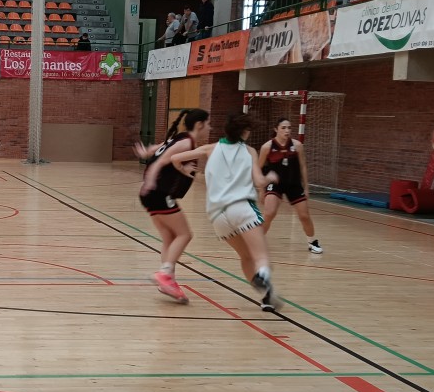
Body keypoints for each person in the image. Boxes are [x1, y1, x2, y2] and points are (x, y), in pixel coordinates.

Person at [171, 113, 283, 311]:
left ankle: (266, 298)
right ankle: (263, 275)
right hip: (242, 208)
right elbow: (258, 182)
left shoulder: (209, 148)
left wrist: (191, 172)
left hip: (218, 216)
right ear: (244, 132)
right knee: (261, 256)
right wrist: (270, 177)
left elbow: (175, 158)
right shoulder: (249, 151)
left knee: (246, 256)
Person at [133, 108, 210, 303]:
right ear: (199, 124)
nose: (209, 127)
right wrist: (151, 178)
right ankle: (165, 274)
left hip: (152, 194)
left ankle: (168, 282)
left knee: (169, 237)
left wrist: (146, 152)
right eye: (208, 124)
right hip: (159, 192)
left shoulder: (178, 138)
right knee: (185, 234)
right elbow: (163, 161)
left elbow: (156, 150)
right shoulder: (186, 142)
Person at [258, 118, 322, 254]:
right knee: (269, 213)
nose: (287, 130)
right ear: (276, 129)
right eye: (283, 128)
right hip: (275, 184)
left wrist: (306, 187)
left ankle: (312, 242)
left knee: (304, 215)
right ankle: (256, 242)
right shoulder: (267, 147)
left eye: (289, 128)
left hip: (294, 184)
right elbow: (258, 168)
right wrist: (261, 190)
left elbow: (303, 166)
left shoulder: (297, 145)